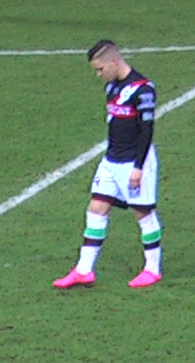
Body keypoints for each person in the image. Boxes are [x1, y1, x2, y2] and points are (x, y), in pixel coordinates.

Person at [56, 41, 164, 290]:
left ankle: (152, 269)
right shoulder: (111, 87)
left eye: (101, 69)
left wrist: (138, 167)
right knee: (96, 209)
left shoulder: (143, 90)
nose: (99, 74)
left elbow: (146, 130)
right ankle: (83, 270)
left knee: (143, 214)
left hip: (134, 162)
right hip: (111, 160)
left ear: (115, 61)